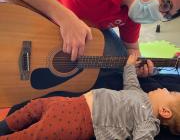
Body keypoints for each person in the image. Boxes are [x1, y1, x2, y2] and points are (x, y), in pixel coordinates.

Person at [4, 0, 180, 77]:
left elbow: (131, 49)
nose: (159, 15)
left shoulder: (134, 12)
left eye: (166, 15)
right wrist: (66, 19)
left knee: (116, 56)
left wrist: (138, 68)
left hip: (73, 43)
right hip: (39, 20)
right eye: (164, 4)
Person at [0, 53, 180, 139]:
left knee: (34, 135)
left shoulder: (147, 122)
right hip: (73, 103)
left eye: (170, 92)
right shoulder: (139, 95)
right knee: (35, 106)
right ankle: (5, 125)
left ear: (164, 111)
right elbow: (131, 81)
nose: (164, 88)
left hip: (80, 122)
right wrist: (129, 65)